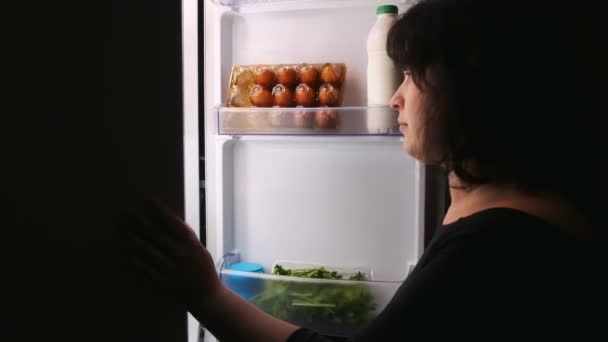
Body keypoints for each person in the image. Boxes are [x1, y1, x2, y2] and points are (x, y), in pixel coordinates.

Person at [122, 0, 602, 340]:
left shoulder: (497, 250)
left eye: (412, 77)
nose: (395, 97)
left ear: (466, 92)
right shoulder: (523, 212)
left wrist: (207, 295)